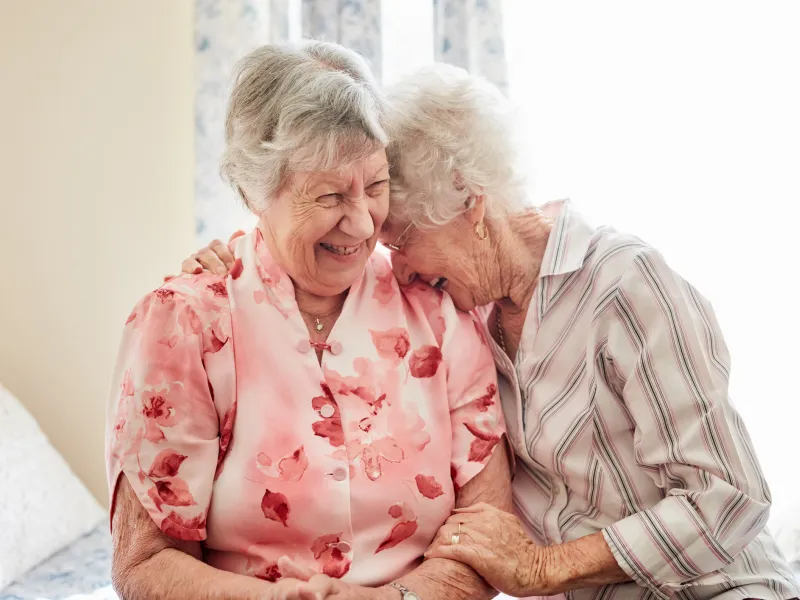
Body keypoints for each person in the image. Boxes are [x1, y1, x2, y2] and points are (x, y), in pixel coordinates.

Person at [189, 63, 800, 600]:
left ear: (471, 207)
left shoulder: (625, 285)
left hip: (714, 590)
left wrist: (543, 567)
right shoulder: (459, 314)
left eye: (400, 240)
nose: (394, 267)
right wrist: (236, 267)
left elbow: (731, 497)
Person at [106, 42, 511, 600]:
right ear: (254, 190)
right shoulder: (186, 325)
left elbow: (488, 527)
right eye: (328, 195)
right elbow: (146, 562)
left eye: (375, 186)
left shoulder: (436, 310)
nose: (362, 220)